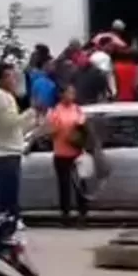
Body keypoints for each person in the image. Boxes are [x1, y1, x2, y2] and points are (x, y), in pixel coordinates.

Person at [0, 62, 37, 223]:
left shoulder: (3, 96)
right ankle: (7, 233)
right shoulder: (0, 97)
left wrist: (33, 122)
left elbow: (15, 129)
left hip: (6, 152)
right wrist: (31, 112)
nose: (13, 80)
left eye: (13, 76)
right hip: (3, 155)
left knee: (8, 200)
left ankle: (9, 231)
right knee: (7, 202)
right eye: (9, 76)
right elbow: (10, 123)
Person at [48, 83, 88, 227]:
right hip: (61, 154)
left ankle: (82, 215)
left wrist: (80, 126)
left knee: (80, 185)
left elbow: (84, 125)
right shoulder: (55, 111)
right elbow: (51, 132)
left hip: (76, 154)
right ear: (62, 94)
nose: (72, 95)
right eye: (69, 93)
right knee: (64, 187)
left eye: (73, 93)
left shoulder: (77, 109)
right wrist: (55, 127)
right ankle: (65, 215)